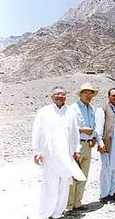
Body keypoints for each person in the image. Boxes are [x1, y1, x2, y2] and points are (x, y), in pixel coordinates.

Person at [32, 86, 86, 219]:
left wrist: (76, 150)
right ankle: (46, 213)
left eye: (63, 94)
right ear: (52, 97)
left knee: (64, 185)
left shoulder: (70, 112)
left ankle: (58, 213)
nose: (60, 96)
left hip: (66, 155)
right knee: (50, 184)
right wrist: (37, 151)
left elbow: (74, 133)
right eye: (57, 94)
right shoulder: (44, 112)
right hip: (49, 155)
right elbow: (37, 132)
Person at [67, 82, 98, 211]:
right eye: (86, 92)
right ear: (81, 94)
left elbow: (94, 125)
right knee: (74, 174)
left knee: (83, 174)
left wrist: (94, 137)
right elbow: (69, 127)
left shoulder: (91, 108)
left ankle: (78, 202)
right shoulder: (73, 108)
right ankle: (69, 204)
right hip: (77, 144)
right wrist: (82, 130)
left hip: (88, 144)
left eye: (90, 93)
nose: (88, 95)